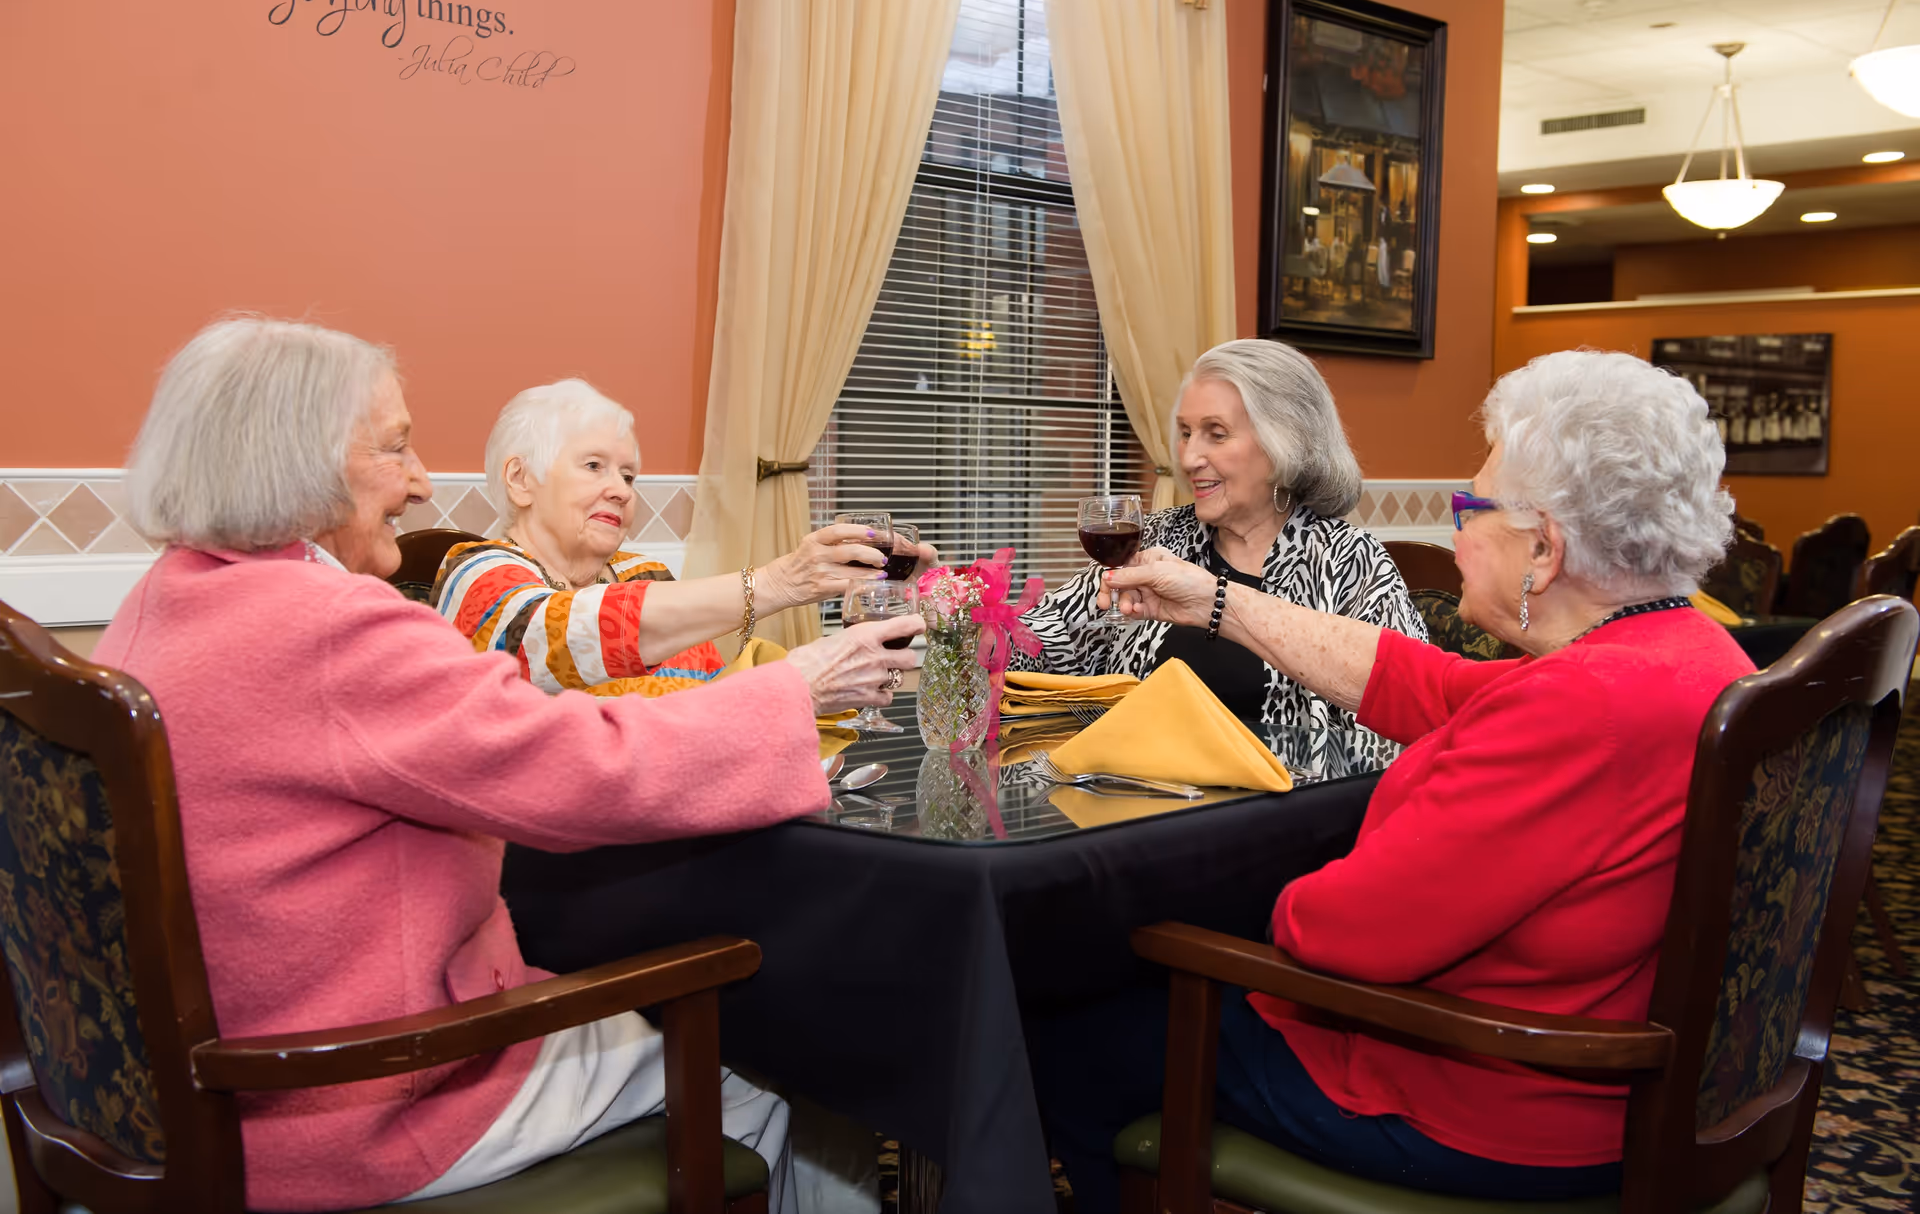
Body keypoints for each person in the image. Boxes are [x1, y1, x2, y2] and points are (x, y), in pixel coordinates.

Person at [96, 317, 921, 1212]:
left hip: (181, 1095)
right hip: (361, 1099)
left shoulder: (153, 610)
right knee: (771, 1063)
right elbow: (583, 769)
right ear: (299, 461)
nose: (420, 483)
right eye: (398, 447)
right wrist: (795, 688)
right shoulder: (334, 626)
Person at [1030, 349, 1749, 1211]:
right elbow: (1426, 685)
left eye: (1471, 506)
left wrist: (1223, 904)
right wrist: (1217, 603)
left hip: (1486, 1104)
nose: (1456, 529)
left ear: (1544, 551)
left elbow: (1336, 933)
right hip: (1637, 1080)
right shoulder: (1692, 657)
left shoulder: (1580, 708)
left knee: (1057, 1024)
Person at [1016, 340, 1424, 776]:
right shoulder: (1157, 538)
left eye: (1217, 433)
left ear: (1283, 443)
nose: (1189, 457)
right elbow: (1036, 643)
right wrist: (959, 611)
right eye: (1187, 432)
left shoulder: (1348, 561)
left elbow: (1405, 726)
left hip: (1287, 822)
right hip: (1135, 808)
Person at [433, 378, 932, 697]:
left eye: (628, 477)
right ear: (521, 480)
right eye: (593, 466)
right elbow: (545, 639)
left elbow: (709, 697)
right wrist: (782, 583)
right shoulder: (475, 570)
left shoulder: (639, 572)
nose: (620, 491)